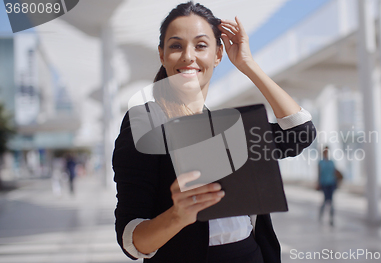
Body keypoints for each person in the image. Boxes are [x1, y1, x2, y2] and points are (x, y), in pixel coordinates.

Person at [113, 2, 316, 262]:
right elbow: (131, 240)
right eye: (176, 46)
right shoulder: (145, 123)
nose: (188, 56)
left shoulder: (226, 127)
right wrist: (177, 216)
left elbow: (299, 133)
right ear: (162, 55)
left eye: (200, 45)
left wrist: (247, 64)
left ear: (218, 55)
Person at [317, 146, 337, 226]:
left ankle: (331, 217)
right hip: (324, 183)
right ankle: (321, 214)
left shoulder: (331, 162)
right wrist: (318, 183)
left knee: (331, 201)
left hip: (331, 183)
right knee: (325, 200)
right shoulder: (321, 163)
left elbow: (334, 172)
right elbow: (319, 173)